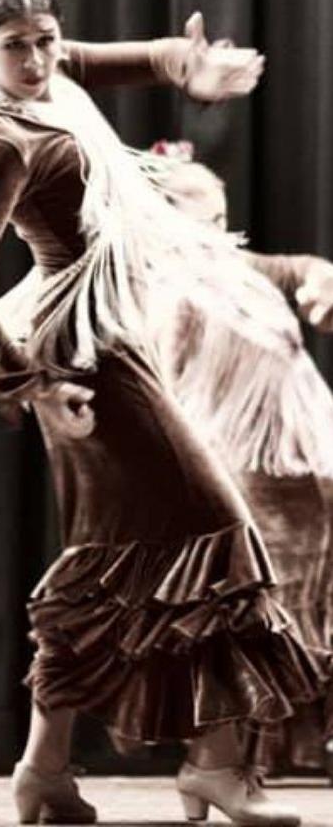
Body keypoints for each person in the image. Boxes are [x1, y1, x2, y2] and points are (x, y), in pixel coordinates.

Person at [0, 0, 317, 826]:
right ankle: (215, 765)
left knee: (115, 554)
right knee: (218, 532)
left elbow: (100, 60)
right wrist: (29, 381)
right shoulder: (2, 140)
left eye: (47, 40)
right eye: (17, 48)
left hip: (110, 332)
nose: (40, 59)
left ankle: (53, 771)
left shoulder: (55, 81)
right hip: (83, 352)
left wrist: (179, 64)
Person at [150, 140, 333, 777]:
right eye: (200, 220)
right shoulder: (158, 285)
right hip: (229, 458)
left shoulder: (241, 272)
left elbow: (305, 267)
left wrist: (322, 280)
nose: (214, 234)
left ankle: (305, 745)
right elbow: (162, 380)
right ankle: (244, 755)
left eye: (220, 220)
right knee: (261, 597)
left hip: (302, 454)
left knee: (312, 589)